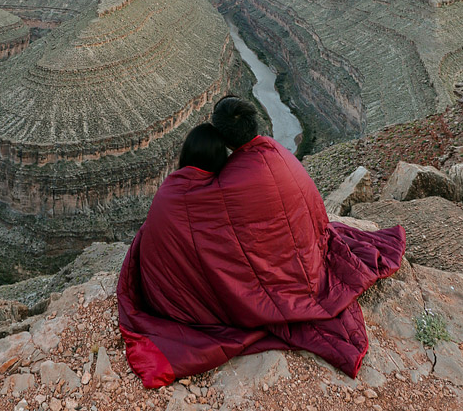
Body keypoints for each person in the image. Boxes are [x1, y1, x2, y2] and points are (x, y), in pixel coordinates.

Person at [117, 95, 406, 388]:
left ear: (225, 139)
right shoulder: (277, 151)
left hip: (284, 277)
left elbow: (219, 226)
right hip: (309, 255)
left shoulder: (229, 181)